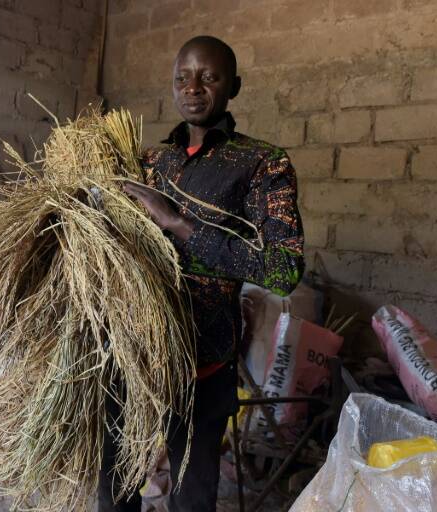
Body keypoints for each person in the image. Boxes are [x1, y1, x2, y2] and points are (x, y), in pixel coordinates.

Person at [99, 36, 305, 511]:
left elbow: (283, 269)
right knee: (115, 490)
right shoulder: (148, 162)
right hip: (132, 353)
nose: (193, 87)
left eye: (209, 77)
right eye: (182, 77)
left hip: (203, 361)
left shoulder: (261, 164)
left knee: (192, 497)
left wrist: (176, 222)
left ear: (234, 86)